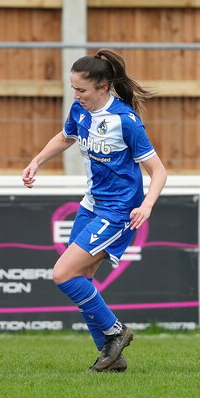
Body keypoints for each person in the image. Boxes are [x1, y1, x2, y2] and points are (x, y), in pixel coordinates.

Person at [22, 49, 168, 373]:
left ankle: (116, 332)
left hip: (119, 211)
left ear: (103, 86)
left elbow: (159, 171)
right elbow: (65, 137)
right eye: (73, 88)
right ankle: (111, 356)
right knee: (82, 278)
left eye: (82, 90)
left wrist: (146, 205)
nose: (76, 95)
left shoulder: (125, 121)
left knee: (62, 274)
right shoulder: (80, 110)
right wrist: (36, 161)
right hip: (90, 205)